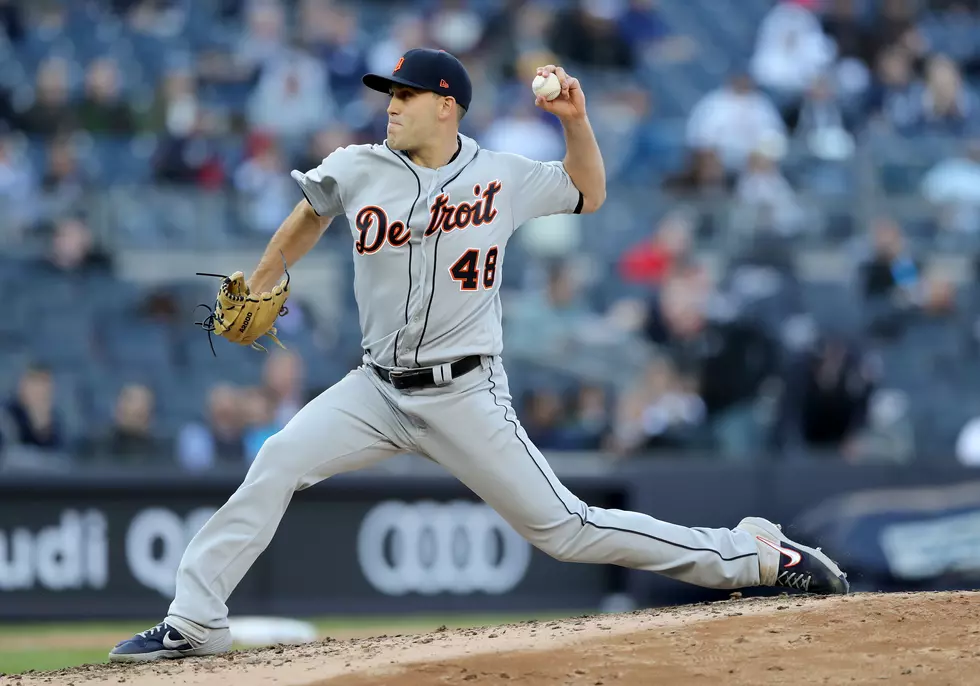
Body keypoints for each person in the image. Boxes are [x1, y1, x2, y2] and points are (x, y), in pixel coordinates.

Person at [109, 48, 848, 663]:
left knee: (567, 529)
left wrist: (577, 124)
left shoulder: (501, 175)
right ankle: (196, 619)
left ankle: (756, 556)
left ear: (446, 105)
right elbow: (310, 212)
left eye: (404, 95)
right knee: (275, 461)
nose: (390, 106)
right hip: (374, 389)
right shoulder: (359, 165)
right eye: (386, 94)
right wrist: (265, 277)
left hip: (465, 392)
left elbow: (588, 193)